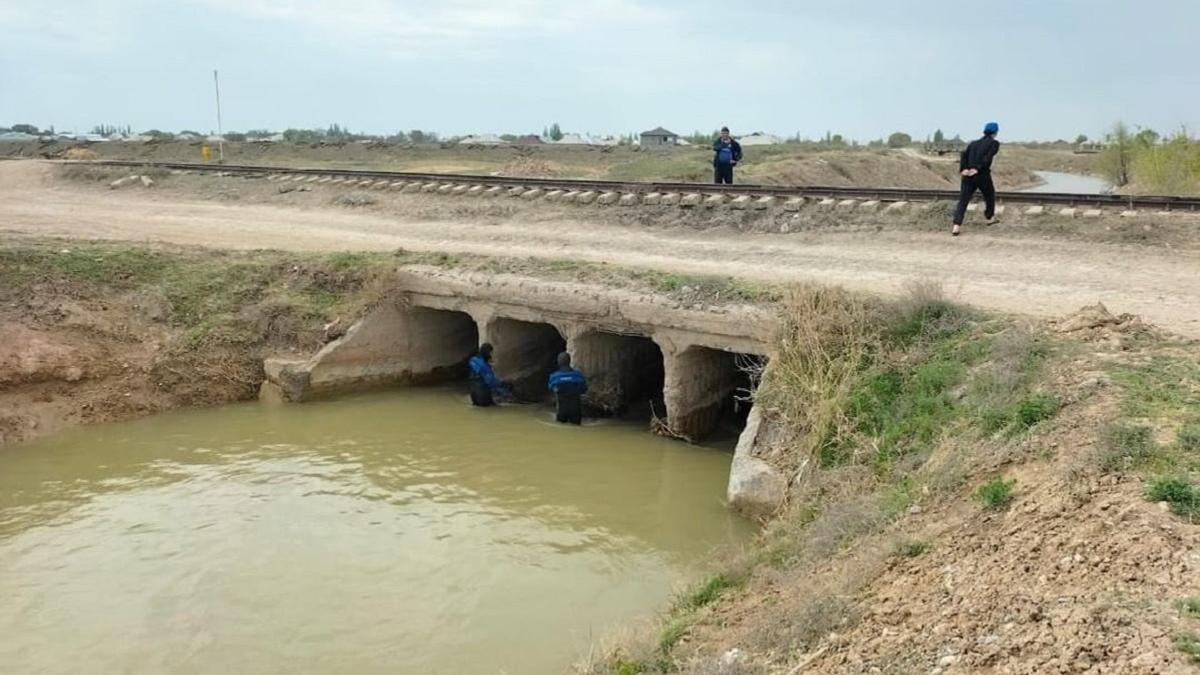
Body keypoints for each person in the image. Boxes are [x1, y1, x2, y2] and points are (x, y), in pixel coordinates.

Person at [952, 122, 1002, 236]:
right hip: (982, 175)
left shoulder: (973, 144)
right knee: (989, 195)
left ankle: (956, 226)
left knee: (963, 201)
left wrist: (963, 169)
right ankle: (989, 218)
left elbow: (963, 155)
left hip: (967, 175)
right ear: (995, 132)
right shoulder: (994, 143)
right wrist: (977, 169)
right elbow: (987, 158)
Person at [547, 352, 588, 425]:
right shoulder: (578, 375)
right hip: (575, 409)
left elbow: (550, 389)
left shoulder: (554, 377)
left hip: (561, 409)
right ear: (569, 361)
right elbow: (584, 389)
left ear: (558, 362)